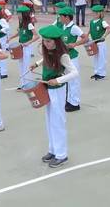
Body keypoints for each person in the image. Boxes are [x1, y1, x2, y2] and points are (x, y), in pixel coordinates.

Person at [31, 25, 79, 168]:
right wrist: (36, 63)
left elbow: (74, 73)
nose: (46, 44)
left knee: (58, 121)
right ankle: (52, 150)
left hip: (57, 90)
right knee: (49, 121)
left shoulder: (63, 55)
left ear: (56, 42)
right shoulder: (48, 52)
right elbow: (45, 59)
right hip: (48, 89)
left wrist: (58, 80)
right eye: (44, 41)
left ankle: (61, 155)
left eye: (49, 41)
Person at [58, 7, 88, 112]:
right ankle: (69, 100)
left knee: (74, 81)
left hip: (72, 57)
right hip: (64, 57)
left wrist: (74, 44)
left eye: (61, 16)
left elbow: (85, 38)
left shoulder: (74, 28)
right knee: (68, 80)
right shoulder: (63, 26)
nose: (59, 18)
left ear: (66, 17)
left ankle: (75, 103)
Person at [8, 6, 37, 89]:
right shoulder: (21, 23)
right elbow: (19, 33)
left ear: (24, 14)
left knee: (26, 66)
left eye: (19, 13)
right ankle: (22, 84)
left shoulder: (29, 24)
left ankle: (28, 84)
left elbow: (36, 36)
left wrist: (28, 43)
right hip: (20, 46)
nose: (18, 15)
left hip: (27, 47)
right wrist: (10, 37)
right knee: (20, 65)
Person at [88, 5, 110, 80]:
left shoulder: (102, 22)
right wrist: (87, 35)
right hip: (94, 42)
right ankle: (96, 72)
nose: (94, 14)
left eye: (96, 13)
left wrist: (104, 36)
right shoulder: (91, 21)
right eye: (93, 13)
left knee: (101, 58)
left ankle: (102, 74)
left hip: (100, 43)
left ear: (100, 14)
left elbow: (109, 28)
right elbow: (90, 29)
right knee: (95, 58)